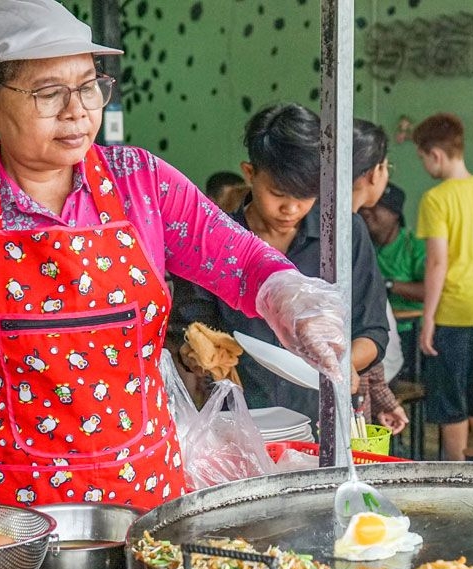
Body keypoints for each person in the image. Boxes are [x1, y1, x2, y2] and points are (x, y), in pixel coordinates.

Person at [0, 0, 348, 508]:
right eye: (48, 92)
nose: (77, 110)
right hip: (0, 514)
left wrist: (291, 298)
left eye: (87, 85)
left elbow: (241, 260)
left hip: (140, 496)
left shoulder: (140, 183)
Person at [171, 104, 390, 423]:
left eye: (306, 195)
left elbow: (372, 329)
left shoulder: (344, 234)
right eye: (278, 193)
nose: (291, 208)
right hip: (243, 422)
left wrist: (346, 365)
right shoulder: (213, 242)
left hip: (327, 420)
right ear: (249, 173)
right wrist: (195, 353)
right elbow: (189, 330)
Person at [412, 113, 473, 460]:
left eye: (423, 158)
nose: (425, 166)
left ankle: (457, 475)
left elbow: (437, 263)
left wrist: (428, 318)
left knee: (450, 400)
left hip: (452, 314)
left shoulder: (435, 199)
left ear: (435, 154)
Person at [348, 118, 407, 434]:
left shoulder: (352, 229)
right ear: (375, 173)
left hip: (351, 381)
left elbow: (366, 326)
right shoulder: (349, 230)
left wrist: (383, 396)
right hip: (334, 393)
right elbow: (366, 326)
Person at [359, 182, 424, 381]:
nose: (367, 212)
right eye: (365, 206)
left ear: (395, 214)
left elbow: (430, 291)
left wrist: (388, 285)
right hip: (368, 329)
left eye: (377, 207)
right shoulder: (360, 243)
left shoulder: (413, 245)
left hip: (407, 332)